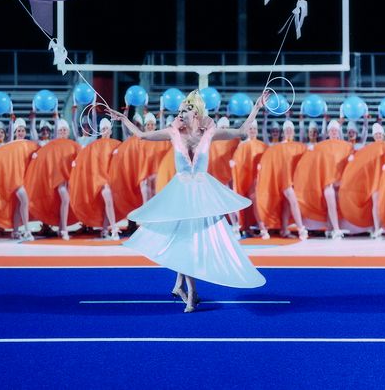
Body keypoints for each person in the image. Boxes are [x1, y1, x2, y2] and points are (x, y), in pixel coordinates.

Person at [108, 90, 267, 313]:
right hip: (180, 194)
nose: (180, 113)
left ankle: (180, 286)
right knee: (186, 242)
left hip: (202, 195)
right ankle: (190, 293)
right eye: (180, 110)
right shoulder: (173, 132)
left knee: (190, 242)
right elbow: (142, 136)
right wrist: (124, 119)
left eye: (185, 110)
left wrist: (257, 108)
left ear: (196, 113)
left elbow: (241, 132)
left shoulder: (209, 132)